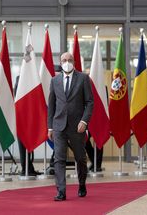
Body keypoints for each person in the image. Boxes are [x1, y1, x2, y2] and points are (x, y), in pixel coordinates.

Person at [48, 52, 94, 201]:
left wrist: (84, 121)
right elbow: (52, 105)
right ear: (60, 63)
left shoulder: (83, 78)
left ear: (74, 62)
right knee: (59, 159)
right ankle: (61, 191)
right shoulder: (54, 80)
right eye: (64, 60)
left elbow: (89, 102)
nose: (67, 62)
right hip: (59, 126)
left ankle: (82, 184)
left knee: (80, 158)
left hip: (77, 127)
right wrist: (50, 127)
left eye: (69, 60)